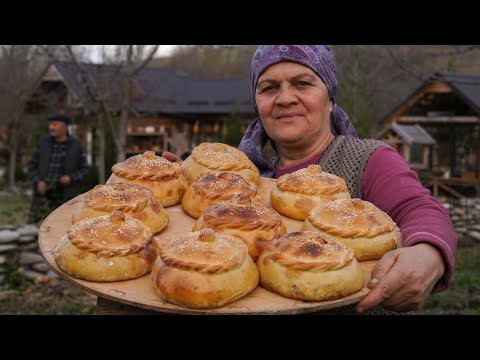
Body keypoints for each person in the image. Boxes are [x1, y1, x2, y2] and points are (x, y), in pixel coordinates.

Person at [163, 45, 457, 314]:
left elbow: (421, 209)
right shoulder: (246, 177)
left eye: (302, 83)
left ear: (330, 98)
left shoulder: (369, 158)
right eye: (269, 88)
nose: (285, 98)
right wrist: (180, 183)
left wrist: (428, 252)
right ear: (257, 105)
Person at [27, 113, 89, 223]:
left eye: (55, 124)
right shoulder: (43, 143)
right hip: (43, 195)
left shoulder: (76, 145)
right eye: (50, 124)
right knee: (38, 226)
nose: (51, 127)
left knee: (62, 226)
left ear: (64, 127)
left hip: (66, 196)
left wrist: (71, 178)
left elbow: (84, 169)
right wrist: (38, 181)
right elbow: (31, 165)